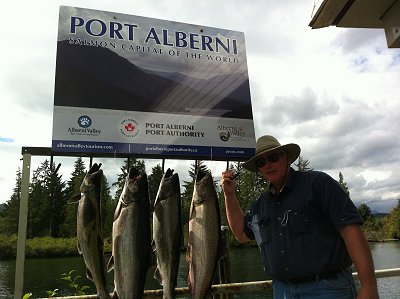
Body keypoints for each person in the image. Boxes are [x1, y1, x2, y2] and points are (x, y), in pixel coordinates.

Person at [221, 135, 379, 299]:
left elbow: (350, 231)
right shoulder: (260, 204)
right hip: (281, 290)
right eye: (261, 162)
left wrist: (369, 287)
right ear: (259, 169)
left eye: (273, 158)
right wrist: (229, 195)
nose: (267, 165)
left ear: (287, 158)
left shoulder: (318, 184)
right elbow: (241, 234)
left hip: (327, 289)